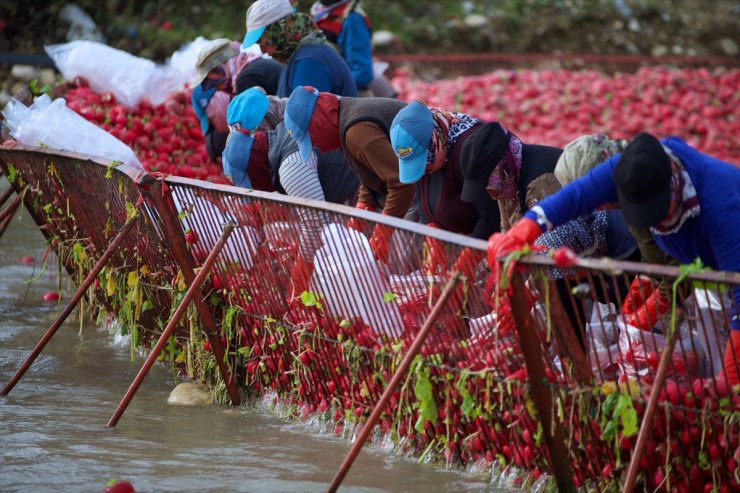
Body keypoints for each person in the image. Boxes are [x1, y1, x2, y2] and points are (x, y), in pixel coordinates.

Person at [487, 132, 740, 384]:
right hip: (706, 276)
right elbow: (574, 197)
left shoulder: (722, 210)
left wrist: (731, 372)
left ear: (673, 190)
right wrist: (525, 230)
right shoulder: (629, 167)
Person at [222, 87, 359, 297]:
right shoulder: (281, 134)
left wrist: (300, 273)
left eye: (252, 181)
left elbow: (316, 224)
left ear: (256, 166)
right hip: (362, 188)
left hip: (373, 191)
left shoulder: (289, 167)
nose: (258, 188)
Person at [554, 134, 679, 330]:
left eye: (594, 195)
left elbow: (680, 263)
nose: (595, 207)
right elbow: (651, 251)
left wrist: (652, 308)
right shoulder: (625, 200)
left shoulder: (649, 187)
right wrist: (644, 282)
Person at [282, 85, 414, 263]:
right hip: (417, 182)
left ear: (318, 120)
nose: (316, 145)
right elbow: (375, 171)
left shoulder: (355, 132)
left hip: (426, 181)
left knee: (408, 261)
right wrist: (363, 206)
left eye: (311, 137)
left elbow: (401, 181)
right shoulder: (346, 119)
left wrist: (383, 233)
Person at [388, 101, 501, 282]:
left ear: (436, 140)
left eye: (424, 162)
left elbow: (491, 216)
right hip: (460, 248)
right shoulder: (430, 155)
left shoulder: (468, 149)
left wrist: (466, 262)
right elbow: (426, 205)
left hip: (491, 251)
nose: (423, 170)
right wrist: (432, 237)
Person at [190, 38, 283, 161]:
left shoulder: (246, 79)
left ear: (222, 66)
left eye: (212, 80)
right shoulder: (250, 67)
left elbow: (257, 133)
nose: (217, 89)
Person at [242, 0, 358, 98]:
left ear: (281, 31)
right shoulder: (295, 57)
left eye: (264, 41)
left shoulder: (309, 62)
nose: (263, 51)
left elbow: (305, 121)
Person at [310, 0, 373, 93]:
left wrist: (329, 95)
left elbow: (362, 72)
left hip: (346, 101)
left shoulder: (352, 18)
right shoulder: (320, 13)